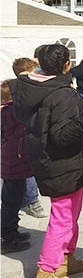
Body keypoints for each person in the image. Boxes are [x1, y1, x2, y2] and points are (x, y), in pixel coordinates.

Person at [14, 44, 83, 278]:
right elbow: (63, 136)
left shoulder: (30, 86)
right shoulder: (62, 94)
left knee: (71, 213)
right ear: (66, 64)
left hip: (52, 160)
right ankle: (46, 274)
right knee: (62, 218)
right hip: (61, 163)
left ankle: (67, 258)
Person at [11, 57, 48, 219]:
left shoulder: (22, 86)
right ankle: (32, 201)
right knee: (27, 170)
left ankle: (26, 201)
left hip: (24, 136)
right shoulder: (20, 88)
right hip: (21, 138)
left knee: (23, 171)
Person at [0, 79, 33, 254]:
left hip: (10, 159)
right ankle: (7, 237)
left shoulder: (6, 110)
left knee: (11, 197)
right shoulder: (12, 112)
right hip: (14, 160)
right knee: (12, 200)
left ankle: (12, 231)